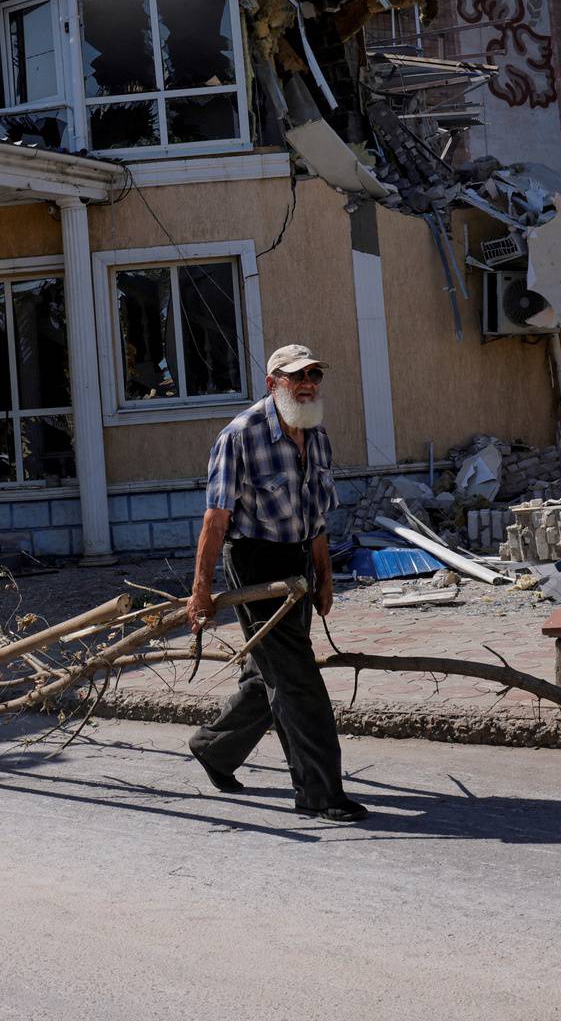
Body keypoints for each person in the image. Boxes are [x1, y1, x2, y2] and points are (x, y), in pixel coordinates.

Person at [185, 344, 367, 823]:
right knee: (298, 681)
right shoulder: (239, 436)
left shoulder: (317, 435)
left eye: (313, 375)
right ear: (272, 384)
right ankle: (320, 793)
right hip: (254, 564)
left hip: (299, 562)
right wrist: (201, 593)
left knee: (271, 671)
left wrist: (325, 577)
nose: (307, 383)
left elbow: (318, 517)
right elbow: (215, 520)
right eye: (295, 377)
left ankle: (214, 748)